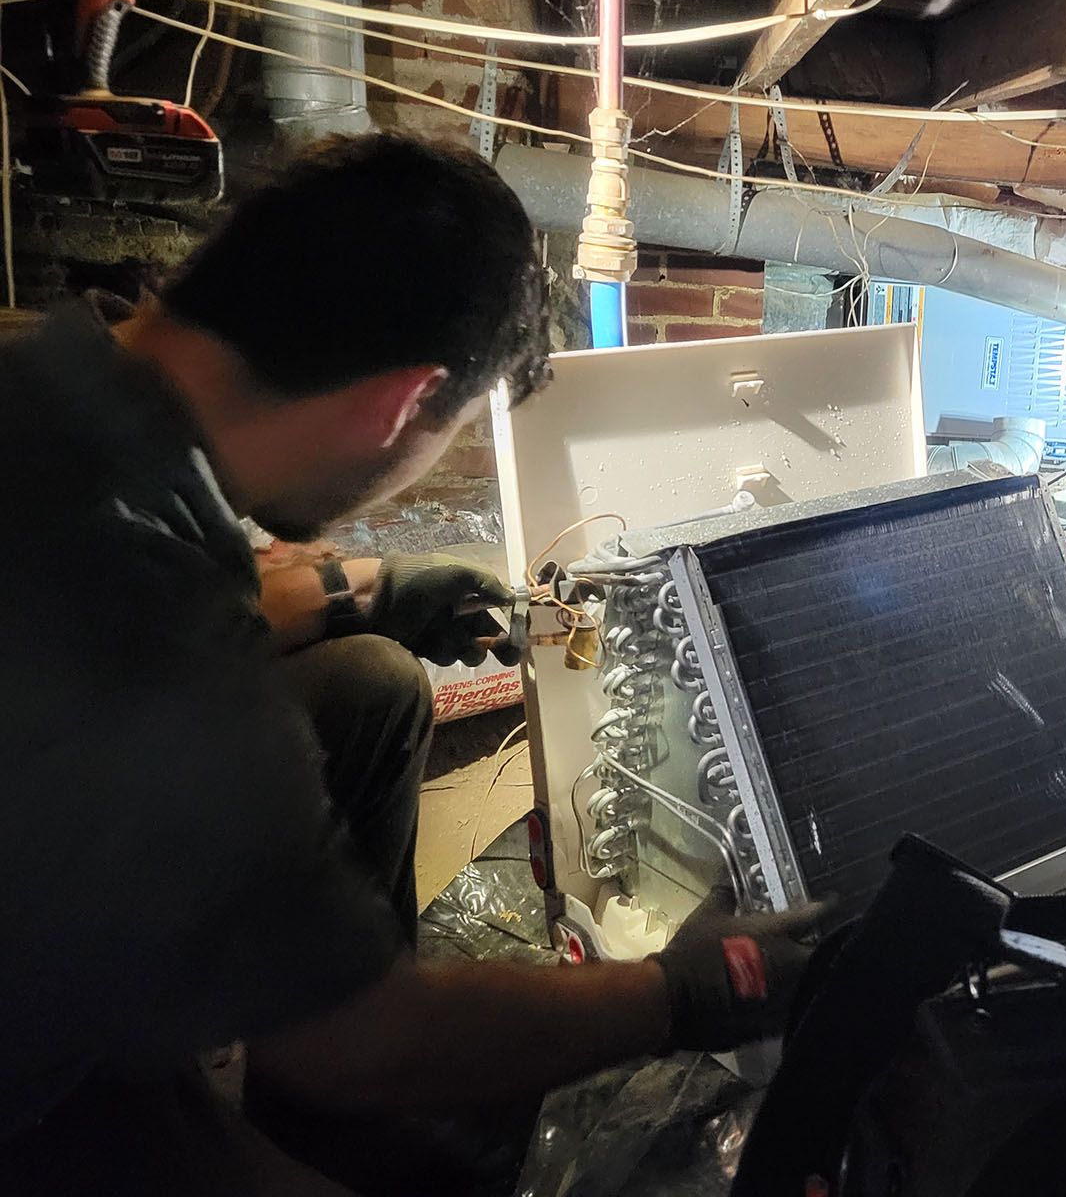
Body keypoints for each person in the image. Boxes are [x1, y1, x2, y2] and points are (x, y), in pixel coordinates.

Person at [0, 134, 822, 1195]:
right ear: (403, 401)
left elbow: (135, 581)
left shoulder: (50, 386)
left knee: (367, 681)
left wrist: (377, 591)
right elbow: (362, 1043)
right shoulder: (166, 653)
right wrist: (690, 991)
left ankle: (300, 1106)